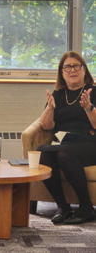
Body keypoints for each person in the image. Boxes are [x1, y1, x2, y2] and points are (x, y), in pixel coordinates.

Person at [37, 51, 96, 224]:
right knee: (43, 153)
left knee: (63, 154)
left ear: (84, 70)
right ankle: (63, 206)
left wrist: (89, 107)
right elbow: (47, 126)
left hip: (90, 142)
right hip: (64, 143)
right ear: (62, 73)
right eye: (67, 67)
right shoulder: (57, 95)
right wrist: (50, 108)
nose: (72, 70)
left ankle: (86, 208)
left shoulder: (93, 91)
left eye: (76, 65)